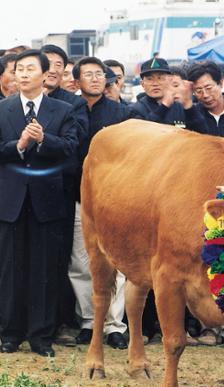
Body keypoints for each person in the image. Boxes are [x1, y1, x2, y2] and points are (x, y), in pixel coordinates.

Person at [0, 49, 79, 357]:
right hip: (10, 201)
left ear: (45, 75)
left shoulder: (62, 110)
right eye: (18, 68)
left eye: (30, 68)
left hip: (48, 201)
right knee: (9, 269)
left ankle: (41, 336)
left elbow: (71, 148)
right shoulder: (2, 108)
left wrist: (45, 139)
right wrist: (17, 145)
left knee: (45, 270)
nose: (22, 73)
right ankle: (9, 333)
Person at [69, 56, 140, 349]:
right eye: (89, 74)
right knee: (81, 263)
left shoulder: (122, 114)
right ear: (77, 80)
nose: (96, 79)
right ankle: (88, 321)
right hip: (78, 197)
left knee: (118, 264)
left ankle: (114, 325)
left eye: (100, 74)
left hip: (115, 199)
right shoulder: (67, 110)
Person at [41, 44, 89, 347]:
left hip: (65, 190)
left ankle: (65, 321)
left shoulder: (73, 103)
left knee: (70, 259)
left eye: (60, 63)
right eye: (49, 63)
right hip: (27, 192)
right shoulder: (15, 103)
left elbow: (75, 145)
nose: (54, 69)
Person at [130, 57, 188, 127]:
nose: (155, 83)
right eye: (150, 79)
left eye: (160, 78)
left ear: (169, 81)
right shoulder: (135, 110)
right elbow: (145, 131)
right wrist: (164, 107)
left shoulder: (181, 107)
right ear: (142, 84)